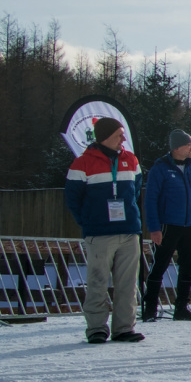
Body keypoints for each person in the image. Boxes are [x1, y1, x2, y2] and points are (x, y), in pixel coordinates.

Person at [64, 117, 145, 344]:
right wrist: (88, 222)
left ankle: (124, 328)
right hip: (99, 233)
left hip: (129, 231)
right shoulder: (82, 163)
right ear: (106, 136)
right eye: (119, 134)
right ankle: (96, 328)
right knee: (97, 282)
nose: (123, 139)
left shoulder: (131, 159)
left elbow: (136, 190)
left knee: (128, 283)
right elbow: (72, 198)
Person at [142, 129, 191, 322]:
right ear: (177, 147)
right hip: (167, 226)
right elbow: (150, 201)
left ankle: (181, 308)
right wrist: (154, 228)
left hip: (189, 227)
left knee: (188, 267)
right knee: (159, 266)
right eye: (189, 145)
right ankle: (150, 309)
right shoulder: (160, 169)